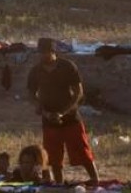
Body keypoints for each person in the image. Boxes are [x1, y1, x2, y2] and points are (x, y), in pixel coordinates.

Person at [27, 38, 100, 184]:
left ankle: (94, 178)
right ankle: (59, 184)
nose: (43, 56)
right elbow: (30, 94)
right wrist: (42, 110)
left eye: (46, 52)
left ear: (53, 52)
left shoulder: (67, 67)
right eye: (40, 53)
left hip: (70, 117)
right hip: (49, 118)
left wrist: (64, 112)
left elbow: (78, 91)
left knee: (81, 149)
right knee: (53, 156)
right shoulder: (35, 71)